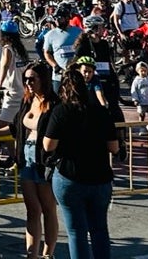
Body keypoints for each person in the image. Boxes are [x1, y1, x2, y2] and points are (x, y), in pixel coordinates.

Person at [43, 67, 119, 259]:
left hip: (70, 175)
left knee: (76, 231)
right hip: (100, 176)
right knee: (100, 229)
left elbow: (48, 146)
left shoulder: (61, 111)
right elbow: (114, 147)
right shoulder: (100, 112)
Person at [15, 62, 59, 259]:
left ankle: (48, 253)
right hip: (27, 156)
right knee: (32, 209)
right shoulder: (27, 100)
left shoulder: (53, 104)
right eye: (26, 80)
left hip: (44, 158)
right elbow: (14, 127)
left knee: (48, 208)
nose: (28, 83)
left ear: (43, 79)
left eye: (32, 79)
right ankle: (31, 254)